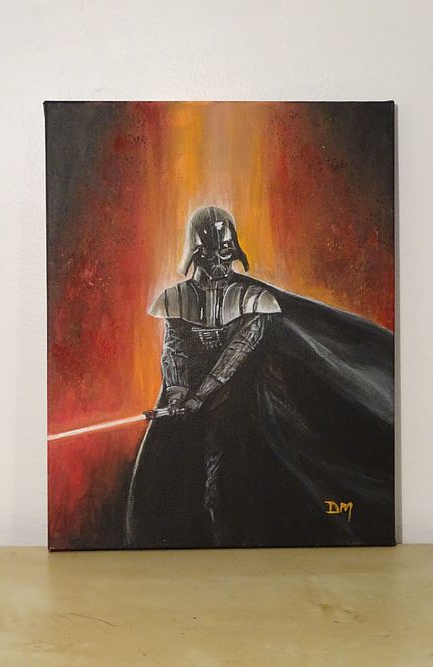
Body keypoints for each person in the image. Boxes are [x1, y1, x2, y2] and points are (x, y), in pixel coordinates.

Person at [126, 206, 394, 549]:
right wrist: (178, 392)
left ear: (234, 250)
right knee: (171, 473)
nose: (218, 262)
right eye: (208, 253)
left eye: (225, 251)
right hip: (189, 401)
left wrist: (201, 396)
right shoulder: (176, 298)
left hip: (240, 402)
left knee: (240, 477)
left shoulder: (254, 299)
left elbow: (237, 352)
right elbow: (174, 349)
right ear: (194, 254)